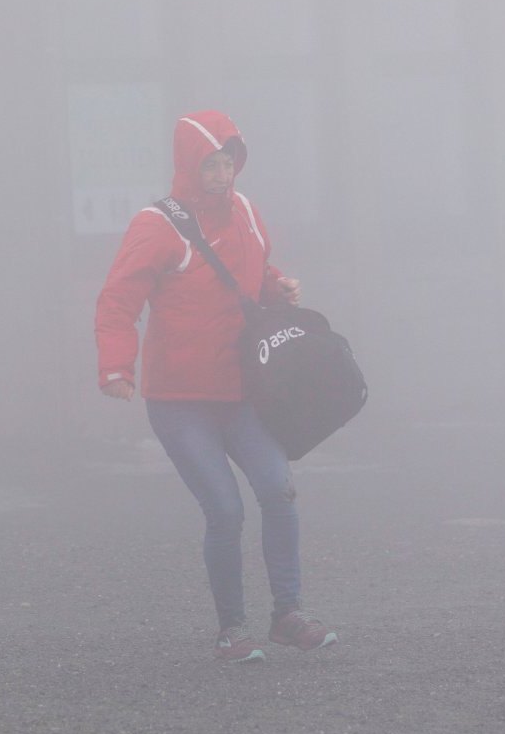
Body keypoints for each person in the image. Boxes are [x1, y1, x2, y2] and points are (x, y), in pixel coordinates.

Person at [95, 111, 337, 663]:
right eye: (211, 164)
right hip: (180, 401)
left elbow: (254, 270)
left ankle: (288, 614)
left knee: (278, 489)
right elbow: (118, 299)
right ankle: (232, 629)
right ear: (188, 166)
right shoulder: (157, 225)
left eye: (228, 164)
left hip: (241, 390)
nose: (221, 175)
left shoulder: (247, 211)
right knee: (225, 510)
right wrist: (116, 368)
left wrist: (277, 287)